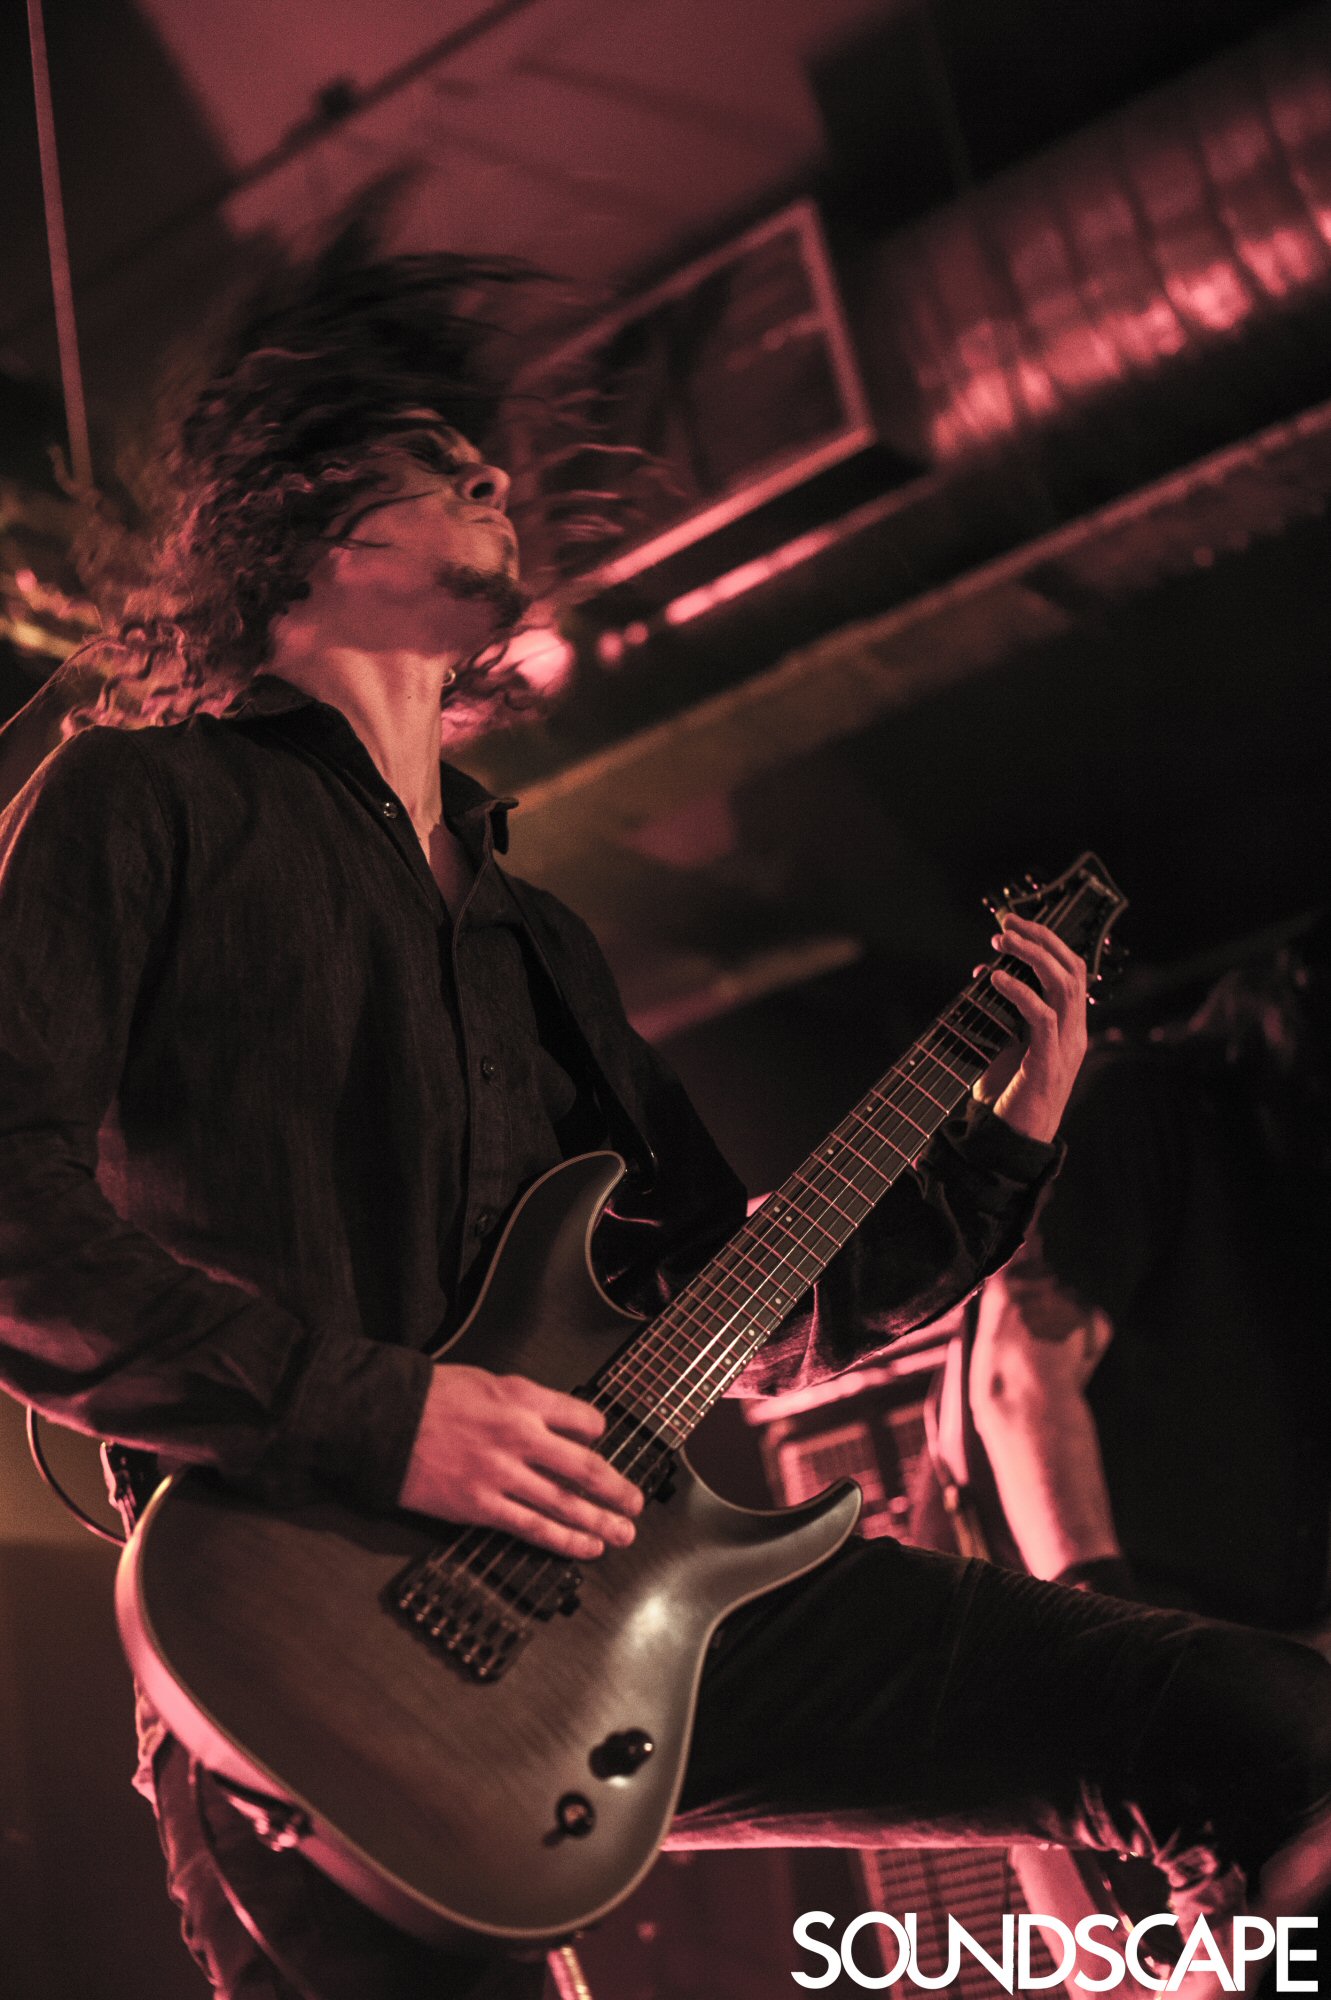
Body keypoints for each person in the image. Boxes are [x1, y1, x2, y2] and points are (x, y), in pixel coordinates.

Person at [0, 234, 1327, 2000]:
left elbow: (748, 1318)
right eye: (432, 457)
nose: (492, 476)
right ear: (303, 520)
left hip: (626, 1608)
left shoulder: (536, 938)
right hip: (307, 1663)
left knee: (1258, 1723)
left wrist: (1009, 1133)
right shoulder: (138, 803)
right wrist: (386, 1419)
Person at [957, 942, 1331, 1632]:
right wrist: (1116, 1632)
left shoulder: (1288, 1175)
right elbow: (1019, 1381)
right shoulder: (1143, 1104)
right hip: (1147, 1643)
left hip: (1265, 1646)